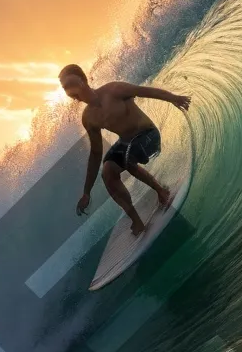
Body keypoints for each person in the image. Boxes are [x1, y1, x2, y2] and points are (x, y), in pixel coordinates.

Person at [59, 65, 190, 236]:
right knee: (107, 172)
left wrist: (174, 98)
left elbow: (146, 91)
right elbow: (96, 153)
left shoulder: (114, 90)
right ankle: (136, 221)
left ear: (83, 80)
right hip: (127, 143)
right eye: (64, 87)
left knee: (127, 158)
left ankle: (161, 190)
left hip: (148, 135)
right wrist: (86, 192)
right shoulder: (89, 118)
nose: (69, 89)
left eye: (70, 82)